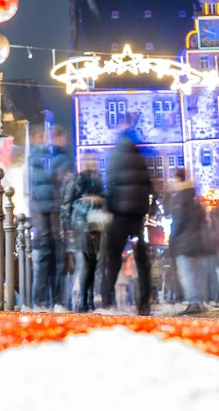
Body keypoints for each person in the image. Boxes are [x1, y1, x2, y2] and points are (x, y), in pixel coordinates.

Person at [101, 132, 153, 315]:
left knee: (113, 258)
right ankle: (144, 301)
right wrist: (146, 209)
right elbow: (149, 186)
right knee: (142, 260)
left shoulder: (115, 156)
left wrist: (111, 209)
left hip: (121, 216)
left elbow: (111, 184)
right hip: (137, 217)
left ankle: (107, 299)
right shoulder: (139, 158)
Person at [29, 125, 72, 309]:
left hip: (41, 210)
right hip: (53, 210)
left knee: (45, 259)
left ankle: (40, 301)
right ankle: (57, 301)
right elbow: (65, 182)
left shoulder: (37, 157)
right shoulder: (56, 157)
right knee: (56, 258)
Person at [63, 155, 107, 312]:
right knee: (85, 263)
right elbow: (70, 203)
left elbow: (104, 198)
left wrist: (98, 200)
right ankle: (84, 300)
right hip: (83, 224)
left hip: (95, 223)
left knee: (92, 263)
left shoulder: (97, 180)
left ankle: (88, 299)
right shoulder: (78, 180)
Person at [166, 168, 208, 315]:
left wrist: (172, 241)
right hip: (197, 241)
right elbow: (203, 221)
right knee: (196, 273)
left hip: (184, 243)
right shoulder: (194, 201)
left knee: (187, 274)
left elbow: (177, 221)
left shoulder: (179, 200)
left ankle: (194, 302)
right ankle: (199, 301)